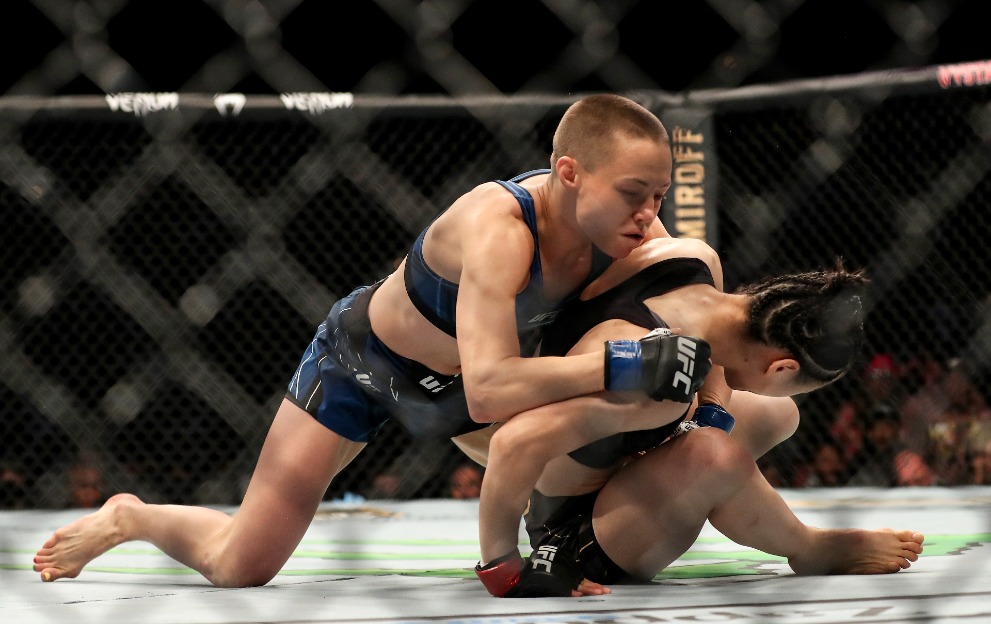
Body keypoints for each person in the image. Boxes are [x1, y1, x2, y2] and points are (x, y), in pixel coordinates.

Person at [33, 93, 678, 586]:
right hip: (367, 364)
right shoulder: (500, 228)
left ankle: (561, 547)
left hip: (465, 394)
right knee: (240, 566)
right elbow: (490, 388)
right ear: (569, 173)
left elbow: (696, 307)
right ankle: (131, 516)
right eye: (632, 194)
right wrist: (621, 363)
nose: (648, 214)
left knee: (614, 446)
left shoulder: (635, 239)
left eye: (658, 196)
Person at [471, 237, 925, 598]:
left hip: (614, 453)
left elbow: (714, 353)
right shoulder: (654, 382)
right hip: (577, 529)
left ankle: (690, 467)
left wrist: (709, 409)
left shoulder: (694, 258)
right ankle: (808, 547)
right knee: (712, 454)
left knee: (774, 412)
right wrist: (504, 571)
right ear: (781, 368)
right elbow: (513, 443)